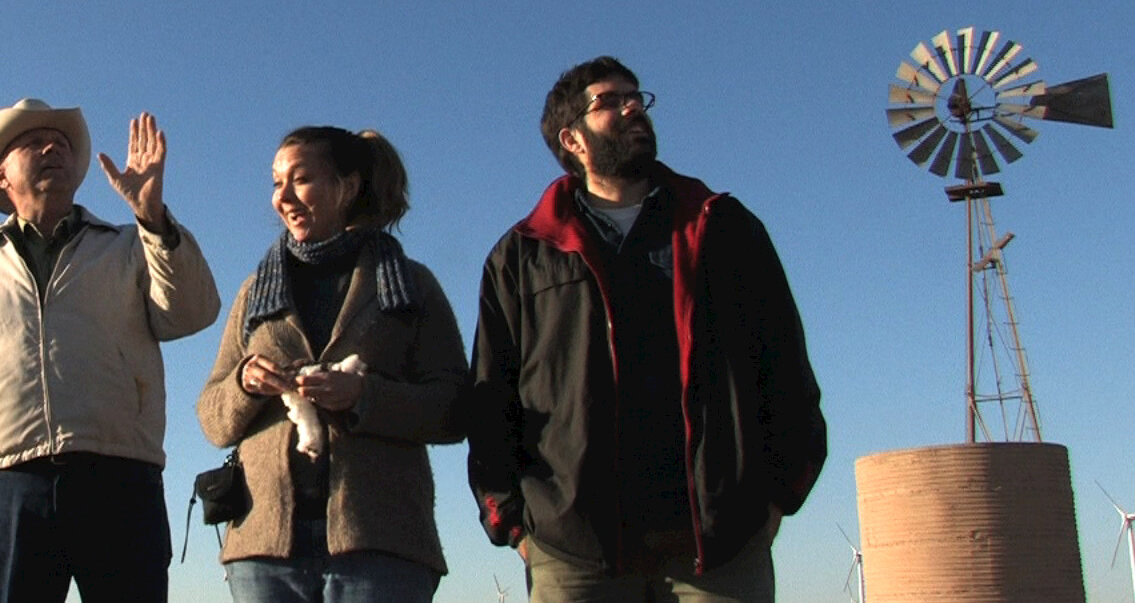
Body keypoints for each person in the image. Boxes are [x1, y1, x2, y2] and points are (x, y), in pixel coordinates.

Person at [466, 57, 826, 603]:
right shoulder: (522, 255)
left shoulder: (722, 227)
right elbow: (493, 397)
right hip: (575, 550)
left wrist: (779, 495)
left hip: (721, 543)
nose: (633, 107)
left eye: (636, 97)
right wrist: (512, 523)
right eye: (609, 102)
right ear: (572, 139)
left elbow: (784, 366)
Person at [0, 99, 222, 603]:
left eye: (61, 143)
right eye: (34, 143)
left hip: (121, 482)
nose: (52, 148)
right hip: (11, 487)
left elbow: (193, 313)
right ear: (1, 175)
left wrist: (153, 219)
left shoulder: (129, 245)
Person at [198, 126, 468, 603]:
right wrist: (245, 383)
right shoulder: (255, 291)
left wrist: (364, 397)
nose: (283, 198)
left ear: (348, 186)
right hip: (263, 547)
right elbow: (213, 419)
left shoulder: (412, 285)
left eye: (301, 179)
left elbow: (455, 409)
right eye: (276, 183)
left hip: (381, 542)